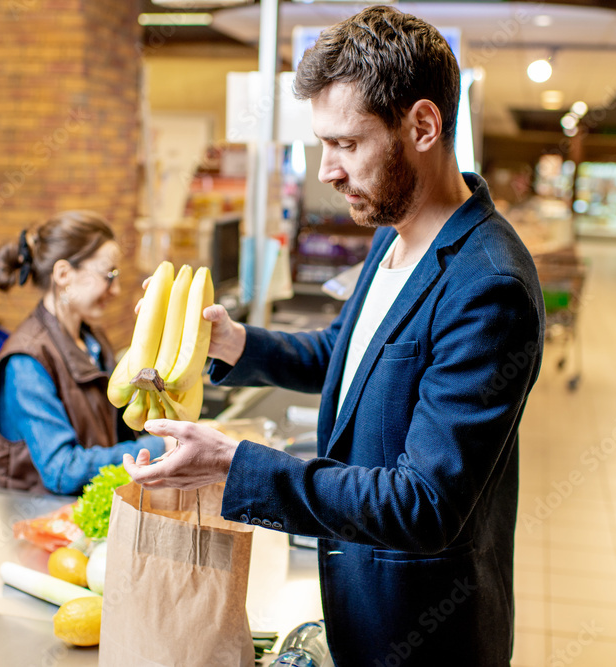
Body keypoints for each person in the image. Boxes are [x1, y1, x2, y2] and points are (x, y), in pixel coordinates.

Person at [124, 7, 544, 665]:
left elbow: (426, 503)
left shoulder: (489, 286)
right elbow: (347, 356)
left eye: (345, 144)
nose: (326, 170)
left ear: (424, 126)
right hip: (356, 602)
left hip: (423, 634)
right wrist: (237, 344)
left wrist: (240, 467)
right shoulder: (394, 235)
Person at [0, 210, 165, 495]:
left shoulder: (91, 339)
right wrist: (157, 446)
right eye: (108, 275)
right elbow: (62, 471)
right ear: (64, 274)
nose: (115, 290)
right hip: (35, 523)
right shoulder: (26, 361)